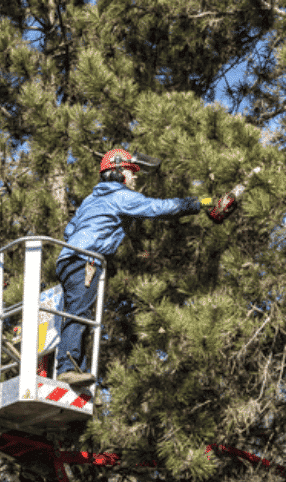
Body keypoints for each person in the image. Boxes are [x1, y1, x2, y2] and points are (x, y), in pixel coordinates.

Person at [55, 148, 205, 386]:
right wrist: (197, 203)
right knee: (79, 313)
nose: (135, 177)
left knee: (74, 310)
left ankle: (74, 367)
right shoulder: (120, 196)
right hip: (86, 260)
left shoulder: (91, 199)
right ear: (116, 173)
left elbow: (70, 230)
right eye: (131, 171)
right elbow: (157, 208)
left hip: (66, 259)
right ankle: (66, 368)